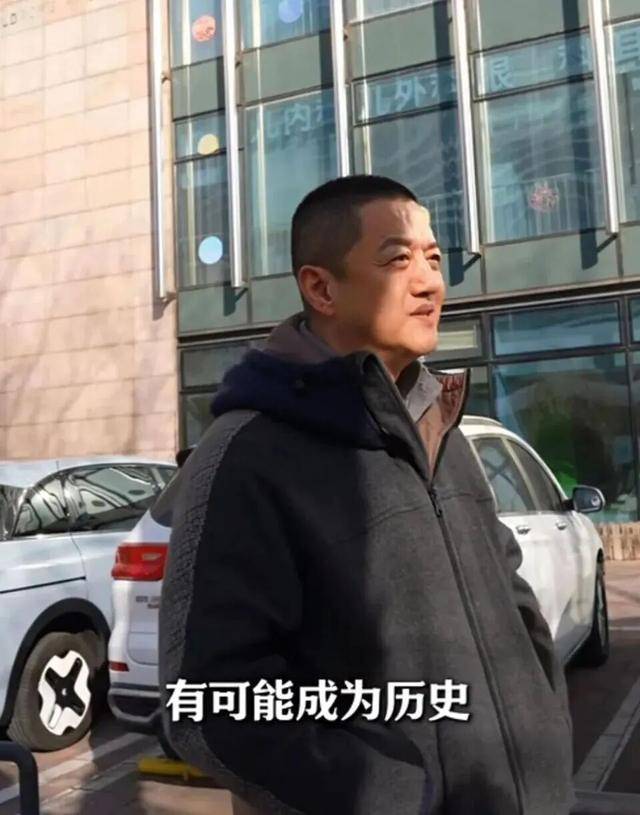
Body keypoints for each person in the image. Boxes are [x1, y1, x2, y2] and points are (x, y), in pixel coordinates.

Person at [159, 175, 575, 815]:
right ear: (321, 288)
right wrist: (394, 794)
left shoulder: (444, 432)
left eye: (434, 258)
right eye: (398, 260)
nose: (431, 283)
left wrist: (545, 731)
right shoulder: (247, 455)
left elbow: (514, 603)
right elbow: (212, 704)